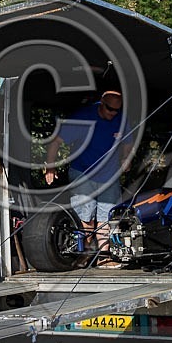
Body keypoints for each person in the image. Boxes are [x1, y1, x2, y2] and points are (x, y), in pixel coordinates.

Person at [44, 90, 132, 266]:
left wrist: (125, 159)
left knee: (107, 215)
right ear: (101, 103)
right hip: (83, 172)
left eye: (117, 110)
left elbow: (128, 143)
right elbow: (56, 142)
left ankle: (103, 256)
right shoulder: (83, 119)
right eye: (109, 109)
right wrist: (50, 166)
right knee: (85, 216)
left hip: (109, 174)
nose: (113, 113)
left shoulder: (121, 120)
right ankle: (83, 253)